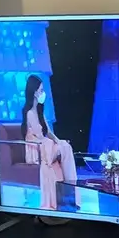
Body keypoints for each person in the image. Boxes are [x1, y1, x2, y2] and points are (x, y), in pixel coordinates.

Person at [21, 74, 77, 211]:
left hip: (45, 145)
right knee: (51, 145)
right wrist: (53, 144)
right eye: (40, 90)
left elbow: (49, 132)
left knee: (66, 146)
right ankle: (56, 198)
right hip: (35, 148)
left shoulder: (40, 111)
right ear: (34, 93)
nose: (42, 93)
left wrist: (59, 141)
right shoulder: (29, 113)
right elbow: (39, 137)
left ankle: (70, 190)